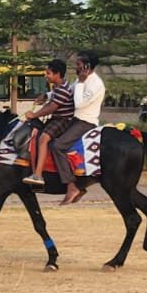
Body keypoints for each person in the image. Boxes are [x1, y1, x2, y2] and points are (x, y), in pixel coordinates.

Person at [49, 52, 105, 205]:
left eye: (78, 64)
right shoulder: (81, 81)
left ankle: (71, 186)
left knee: (58, 146)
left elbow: (79, 103)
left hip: (85, 122)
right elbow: (67, 93)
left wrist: (80, 82)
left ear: (86, 66)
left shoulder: (95, 84)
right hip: (74, 120)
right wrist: (47, 96)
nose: (76, 66)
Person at [22, 59, 73, 187]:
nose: (46, 75)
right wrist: (44, 96)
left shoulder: (62, 90)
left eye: (48, 73)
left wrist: (34, 115)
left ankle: (38, 175)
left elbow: (51, 108)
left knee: (43, 139)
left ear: (57, 74)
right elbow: (51, 100)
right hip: (57, 119)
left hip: (62, 120)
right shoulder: (59, 87)